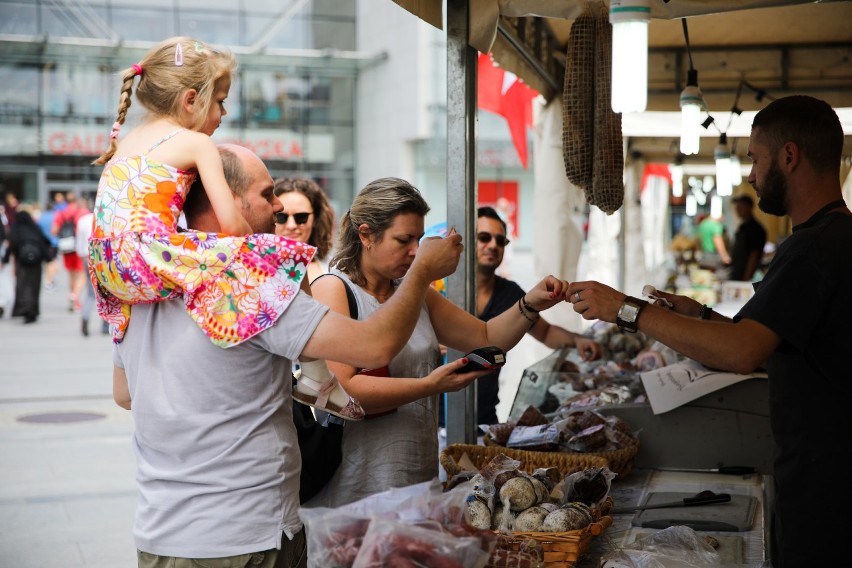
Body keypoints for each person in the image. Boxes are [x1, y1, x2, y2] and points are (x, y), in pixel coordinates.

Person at [112, 143, 468, 568]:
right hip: (246, 534)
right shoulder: (251, 281)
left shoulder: (137, 279)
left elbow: (125, 394)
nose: (279, 205)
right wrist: (423, 271)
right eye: (267, 195)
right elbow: (374, 346)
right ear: (226, 199)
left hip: (164, 532)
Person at [566, 95, 850, 568]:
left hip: (829, 493)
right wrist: (698, 315)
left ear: (789, 156)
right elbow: (768, 342)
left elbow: (741, 353)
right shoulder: (832, 238)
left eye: (756, 159)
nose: (752, 175)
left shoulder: (814, 247)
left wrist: (626, 310)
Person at [89, 36, 358, 419]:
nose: (224, 113)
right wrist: (271, 259)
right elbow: (231, 224)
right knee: (286, 256)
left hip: (108, 265)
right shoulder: (196, 143)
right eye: (220, 101)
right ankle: (316, 373)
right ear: (190, 99)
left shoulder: (129, 140)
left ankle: (312, 375)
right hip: (147, 255)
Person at [304, 178, 573, 508]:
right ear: (366, 236)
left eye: (419, 239)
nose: (415, 251)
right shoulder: (334, 289)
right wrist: (430, 386)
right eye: (404, 240)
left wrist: (530, 304)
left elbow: (486, 337)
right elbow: (343, 393)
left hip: (416, 474)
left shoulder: (415, 291)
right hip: (359, 482)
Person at [472, 206, 602, 425]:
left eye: (500, 240)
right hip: (436, 420)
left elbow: (546, 331)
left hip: (484, 420)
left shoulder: (510, 293)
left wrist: (577, 340)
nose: (493, 245)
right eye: (484, 237)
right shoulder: (442, 288)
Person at [273, 177, 335, 283]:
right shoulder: (253, 268)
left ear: (316, 219)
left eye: (301, 217)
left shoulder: (334, 269)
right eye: (281, 217)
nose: (291, 225)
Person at [2, 208, 52, 323]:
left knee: (23, 285)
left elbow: (11, 245)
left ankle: (25, 308)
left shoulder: (17, 229)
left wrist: (5, 260)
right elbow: (45, 242)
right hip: (36, 262)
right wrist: (48, 258)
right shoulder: (35, 228)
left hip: (22, 261)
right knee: (34, 286)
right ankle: (32, 310)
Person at [50, 191, 89, 312]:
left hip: (67, 248)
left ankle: (74, 299)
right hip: (79, 247)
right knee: (82, 274)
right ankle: (75, 296)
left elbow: (54, 231)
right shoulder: (83, 212)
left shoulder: (61, 213)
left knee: (71, 275)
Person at [727, 194, 767, 281]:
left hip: (745, 277)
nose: (737, 209)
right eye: (736, 207)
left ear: (749, 207)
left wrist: (746, 278)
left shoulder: (755, 228)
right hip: (736, 273)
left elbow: (754, 255)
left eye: (740, 206)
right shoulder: (743, 226)